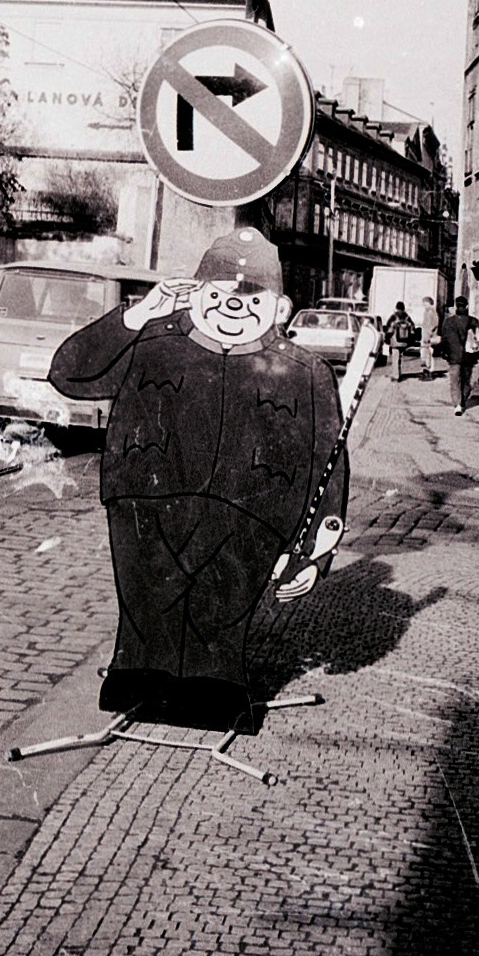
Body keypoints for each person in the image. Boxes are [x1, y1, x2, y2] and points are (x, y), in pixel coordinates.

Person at [48, 228, 347, 729]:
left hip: (250, 516)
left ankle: (216, 692)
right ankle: (136, 679)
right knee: (146, 604)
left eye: (251, 295)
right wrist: (141, 313)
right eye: (218, 292)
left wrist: (314, 554)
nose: (233, 303)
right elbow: (69, 374)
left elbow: (329, 465)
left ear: (280, 308)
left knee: (222, 615)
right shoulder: (153, 342)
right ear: (195, 293)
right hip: (144, 503)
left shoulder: (304, 371)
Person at [440, 295, 479, 414]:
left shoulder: (449, 322)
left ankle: (457, 404)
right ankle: (463, 400)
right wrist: (477, 354)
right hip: (469, 356)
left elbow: (444, 340)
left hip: (454, 357)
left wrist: (444, 353)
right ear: (467, 306)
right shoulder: (473, 321)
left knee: (455, 380)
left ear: (455, 306)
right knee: (466, 380)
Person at [383, 301, 415, 382]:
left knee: (395, 359)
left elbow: (389, 329)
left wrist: (387, 339)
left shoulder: (394, 317)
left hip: (395, 341)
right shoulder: (407, 317)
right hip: (404, 342)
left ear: (396, 308)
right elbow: (412, 329)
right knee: (400, 359)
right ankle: (399, 373)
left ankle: (396, 376)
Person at [418, 295, 440, 376]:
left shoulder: (430, 311)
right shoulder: (430, 311)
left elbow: (433, 324)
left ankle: (428, 370)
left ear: (428, 303)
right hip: (428, 336)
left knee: (427, 353)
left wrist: (429, 334)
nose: (423, 305)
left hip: (428, 336)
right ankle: (428, 369)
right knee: (428, 353)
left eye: (424, 303)